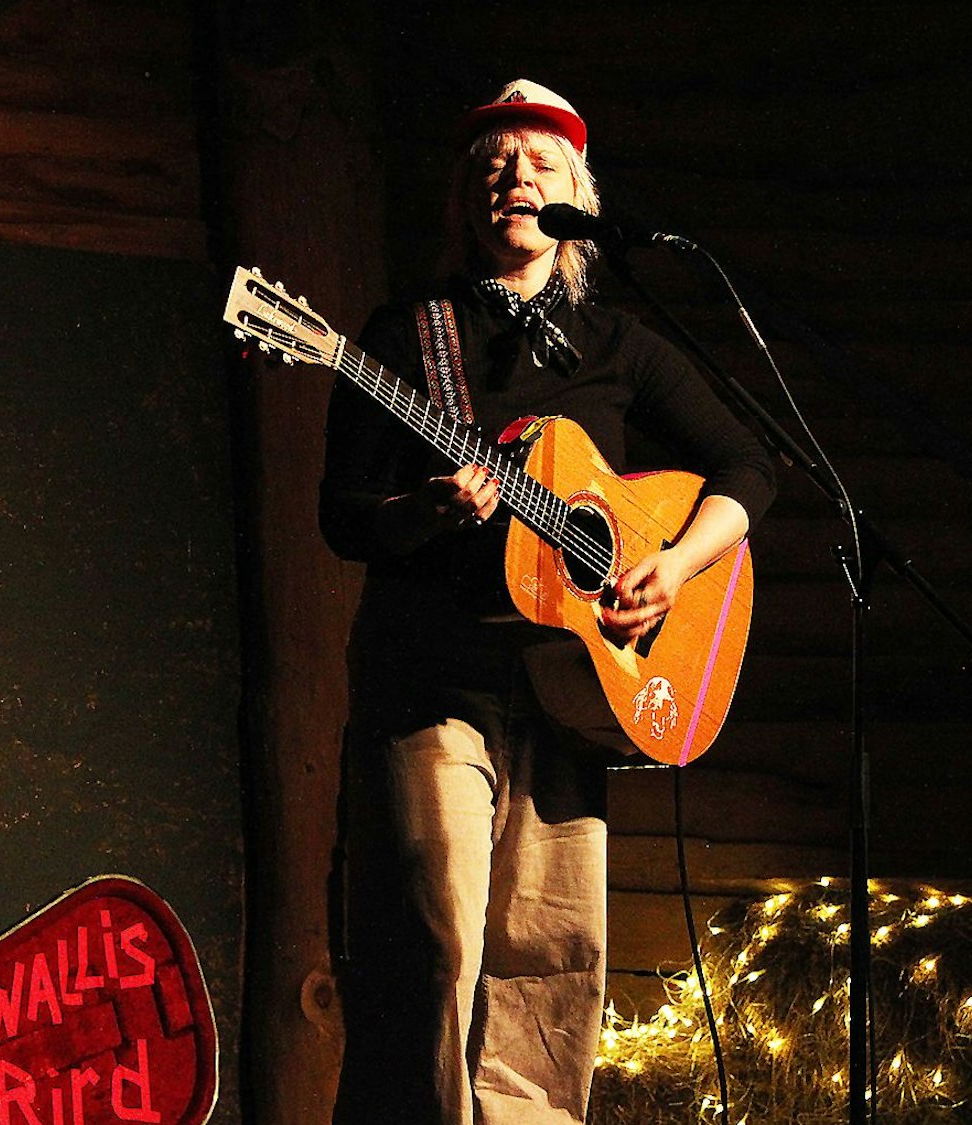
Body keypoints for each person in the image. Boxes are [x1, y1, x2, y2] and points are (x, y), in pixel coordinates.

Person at [320, 79, 776, 1125]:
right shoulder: (407, 335)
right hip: (433, 684)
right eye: (491, 166)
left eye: (538, 164)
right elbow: (342, 516)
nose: (514, 180)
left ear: (577, 197)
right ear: (463, 202)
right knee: (432, 947)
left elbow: (748, 466)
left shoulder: (618, 344)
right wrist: (427, 512)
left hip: (570, 697)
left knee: (552, 962)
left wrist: (676, 565)